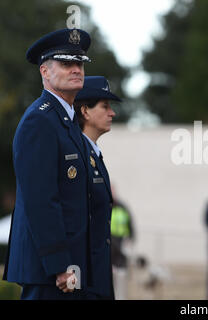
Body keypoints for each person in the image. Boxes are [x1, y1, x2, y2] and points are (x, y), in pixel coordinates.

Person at [2, 29, 96, 299]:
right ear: (45, 71)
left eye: (79, 64)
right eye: (66, 63)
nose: (76, 69)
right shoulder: (39, 121)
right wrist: (59, 265)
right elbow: (40, 200)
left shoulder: (66, 121)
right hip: (50, 270)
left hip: (68, 265)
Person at [73, 76, 121, 299]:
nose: (112, 113)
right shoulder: (76, 154)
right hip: (83, 274)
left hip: (97, 271)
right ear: (85, 111)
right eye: (105, 106)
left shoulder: (92, 153)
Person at [109, 187, 135, 300]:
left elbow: (131, 226)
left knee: (121, 283)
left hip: (121, 252)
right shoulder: (105, 206)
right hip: (109, 252)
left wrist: (130, 240)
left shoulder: (123, 208)